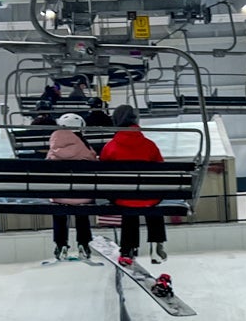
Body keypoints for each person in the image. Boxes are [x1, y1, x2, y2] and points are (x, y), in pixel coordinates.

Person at [100, 104, 167, 261]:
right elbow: (162, 170)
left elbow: (103, 174)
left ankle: (128, 248)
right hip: (149, 197)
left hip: (122, 197)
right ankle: (157, 242)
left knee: (128, 204)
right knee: (151, 201)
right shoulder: (150, 145)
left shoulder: (110, 147)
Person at [47, 113, 96, 260]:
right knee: (82, 205)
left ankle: (61, 244)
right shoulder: (85, 148)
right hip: (83, 195)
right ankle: (83, 243)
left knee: (59, 207)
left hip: (60, 195)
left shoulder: (54, 147)